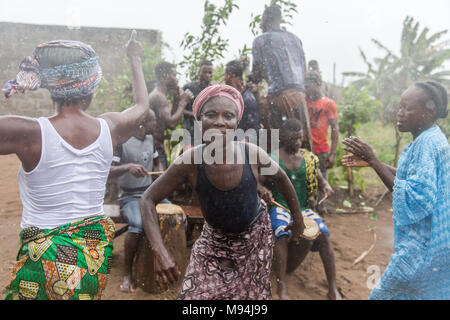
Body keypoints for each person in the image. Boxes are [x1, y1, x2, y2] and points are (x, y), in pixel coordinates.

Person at [1, 31, 150, 300]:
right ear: (91, 87)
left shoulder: (29, 133)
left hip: (42, 257)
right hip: (91, 257)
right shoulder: (111, 127)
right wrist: (134, 58)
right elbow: (141, 105)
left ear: (50, 86)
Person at [140, 84, 306, 300]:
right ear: (199, 120)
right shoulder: (190, 161)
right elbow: (147, 199)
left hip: (254, 239)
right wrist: (160, 251)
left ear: (237, 123)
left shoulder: (251, 153)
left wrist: (298, 218)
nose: (220, 121)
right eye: (211, 114)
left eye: (228, 116)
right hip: (214, 242)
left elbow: (282, 180)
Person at [342, 81, 449, 299]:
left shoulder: (426, 144)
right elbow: (411, 177)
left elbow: (416, 198)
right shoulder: (432, 137)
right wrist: (375, 163)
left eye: (408, 108)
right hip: (438, 244)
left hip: (420, 249)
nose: (399, 113)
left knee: (382, 295)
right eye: (400, 106)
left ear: (428, 113)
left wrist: (373, 158)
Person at [258, 119, 341, 300]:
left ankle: (332, 287)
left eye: (300, 138)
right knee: (282, 233)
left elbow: (320, 179)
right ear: (283, 138)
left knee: (323, 233)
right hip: (279, 206)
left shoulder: (308, 158)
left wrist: (326, 186)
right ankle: (282, 287)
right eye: (294, 138)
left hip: (302, 208)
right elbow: (258, 180)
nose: (298, 142)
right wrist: (262, 189)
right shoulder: (272, 158)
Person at [108, 109, 163, 293]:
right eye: (153, 121)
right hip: (129, 196)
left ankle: (159, 265)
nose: (156, 124)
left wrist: (162, 174)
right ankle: (127, 274)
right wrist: (128, 167)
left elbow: (156, 164)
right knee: (137, 225)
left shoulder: (150, 140)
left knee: (177, 217)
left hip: (150, 195)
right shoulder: (122, 143)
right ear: (142, 123)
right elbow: (109, 170)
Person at [251, 5, 312, 150]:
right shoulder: (296, 40)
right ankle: (308, 172)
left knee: (277, 148)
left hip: (278, 100)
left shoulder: (260, 41)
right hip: (299, 99)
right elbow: (304, 72)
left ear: (265, 19)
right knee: (303, 145)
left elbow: (256, 75)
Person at [148, 62, 194, 169]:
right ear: (165, 76)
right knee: (160, 181)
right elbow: (171, 123)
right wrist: (183, 103)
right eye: (174, 75)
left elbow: (170, 125)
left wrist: (176, 101)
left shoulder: (160, 95)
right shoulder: (158, 96)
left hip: (156, 145)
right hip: (153, 147)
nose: (176, 79)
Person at [305, 71, 339, 215]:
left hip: (322, 150)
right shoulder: (303, 101)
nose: (306, 88)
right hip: (306, 149)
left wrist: (332, 153)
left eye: (309, 85)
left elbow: (335, 129)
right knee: (308, 179)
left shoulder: (328, 104)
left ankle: (321, 207)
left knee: (322, 180)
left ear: (317, 84)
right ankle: (310, 207)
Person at [224, 59, 260, 142]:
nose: (224, 78)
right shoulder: (228, 96)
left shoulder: (247, 98)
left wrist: (240, 145)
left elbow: (254, 129)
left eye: (225, 75)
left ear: (230, 75)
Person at [182, 60, 214, 149]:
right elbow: (180, 109)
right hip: (190, 130)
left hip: (207, 132)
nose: (208, 75)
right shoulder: (189, 87)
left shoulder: (213, 90)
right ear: (199, 72)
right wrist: (195, 114)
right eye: (205, 72)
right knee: (190, 159)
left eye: (210, 72)